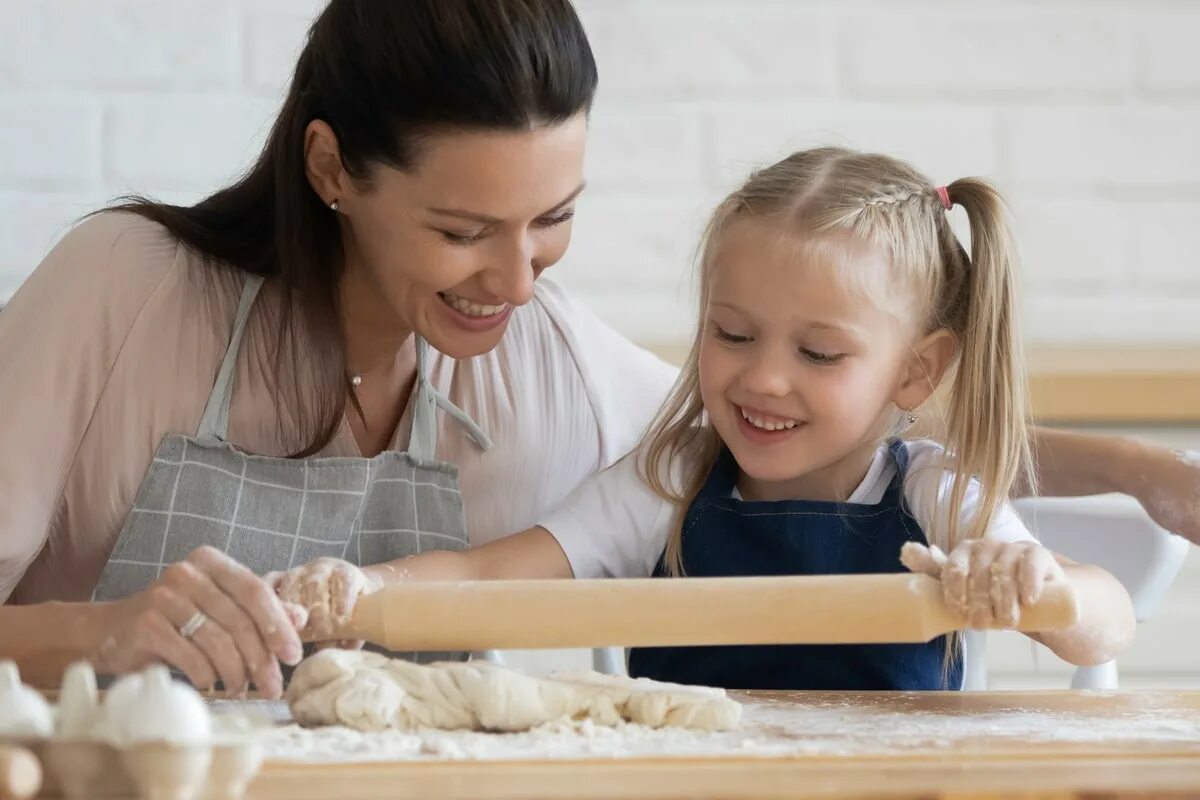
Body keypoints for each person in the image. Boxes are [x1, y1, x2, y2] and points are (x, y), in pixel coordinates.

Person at [0, 0, 1188, 694]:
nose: (518, 282)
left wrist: (1136, 474)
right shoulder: (125, 292)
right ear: (330, 171)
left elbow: (834, 437)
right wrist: (102, 634)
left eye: (553, 221)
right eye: (463, 231)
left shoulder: (547, 353)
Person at [278, 148, 1135, 690]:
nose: (762, 377)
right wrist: (366, 590)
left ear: (916, 370)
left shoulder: (938, 494)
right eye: (732, 333)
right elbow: (488, 578)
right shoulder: (667, 485)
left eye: (819, 354)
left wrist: (1037, 587)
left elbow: (1104, 622)